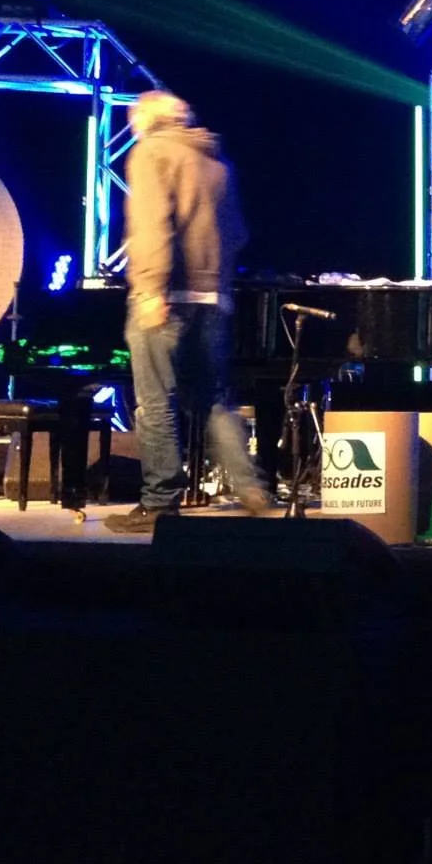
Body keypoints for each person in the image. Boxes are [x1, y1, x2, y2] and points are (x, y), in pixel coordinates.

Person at [103, 91, 272, 533]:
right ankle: (250, 487)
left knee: (155, 402)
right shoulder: (216, 160)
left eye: (134, 117)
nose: (132, 124)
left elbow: (152, 224)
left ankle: (160, 502)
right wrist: (217, 284)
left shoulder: (153, 152)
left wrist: (150, 289)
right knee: (212, 400)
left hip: (167, 294)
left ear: (148, 119)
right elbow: (237, 233)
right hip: (211, 296)